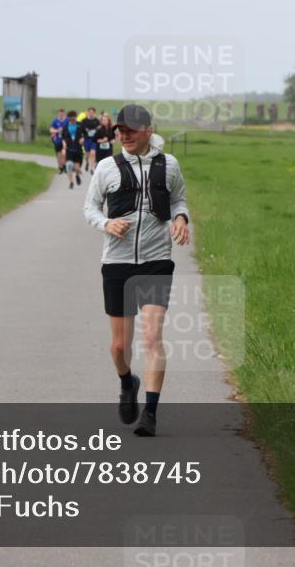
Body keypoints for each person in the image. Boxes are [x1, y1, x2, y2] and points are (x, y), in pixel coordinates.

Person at [83, 104, 190, 437]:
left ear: (148, 130)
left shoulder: (169, 165)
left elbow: (178, 198)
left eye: (130, 130)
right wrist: (106, 223)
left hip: (157, 261)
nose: (124, 136)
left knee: (153, 336)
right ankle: (127, 382)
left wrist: (181, 218)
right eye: (120, 130)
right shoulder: (107, 167)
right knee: (119, 347)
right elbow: (89, 208)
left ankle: (150, 413)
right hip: (117, 264)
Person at [60, 110, 86, 189]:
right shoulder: (65, 127)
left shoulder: (80, 125)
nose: (72, 121)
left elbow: (86, 134)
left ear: (75, 118)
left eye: (73, 119)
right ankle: (71, 182)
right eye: (70, 119)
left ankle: (77, 175)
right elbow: (63, 137)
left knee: (77, 168)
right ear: (68, 119)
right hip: (69, 149)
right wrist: (64, 143)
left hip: (78, 149)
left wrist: (83, 139)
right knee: (69, 165)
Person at [82, 107, 100, 173]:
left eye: (92, 112)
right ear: (88, 112)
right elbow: (81, 130)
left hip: (94, 140)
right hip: (87, 139)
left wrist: (97, 129)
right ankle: (87, 162)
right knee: (87, 153)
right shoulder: (84, 121)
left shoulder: (97, 121)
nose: (91, 113)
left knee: (93, 153)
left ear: (94, 113)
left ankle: (92, 168)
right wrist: (85, 130)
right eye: (90, 112)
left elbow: (99, 128)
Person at [50, 109, 68, 173]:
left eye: (62, 114)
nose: (61, 115)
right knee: (59, 154)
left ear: (64, 114)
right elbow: (51, 130)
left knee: (64, 153)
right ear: (58, 114)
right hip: (57, 140)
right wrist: (58, 131)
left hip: (65, 139)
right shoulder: (55, 121)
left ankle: (64, 165)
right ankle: (60, 167)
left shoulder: (67, 120)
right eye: (60, 114)